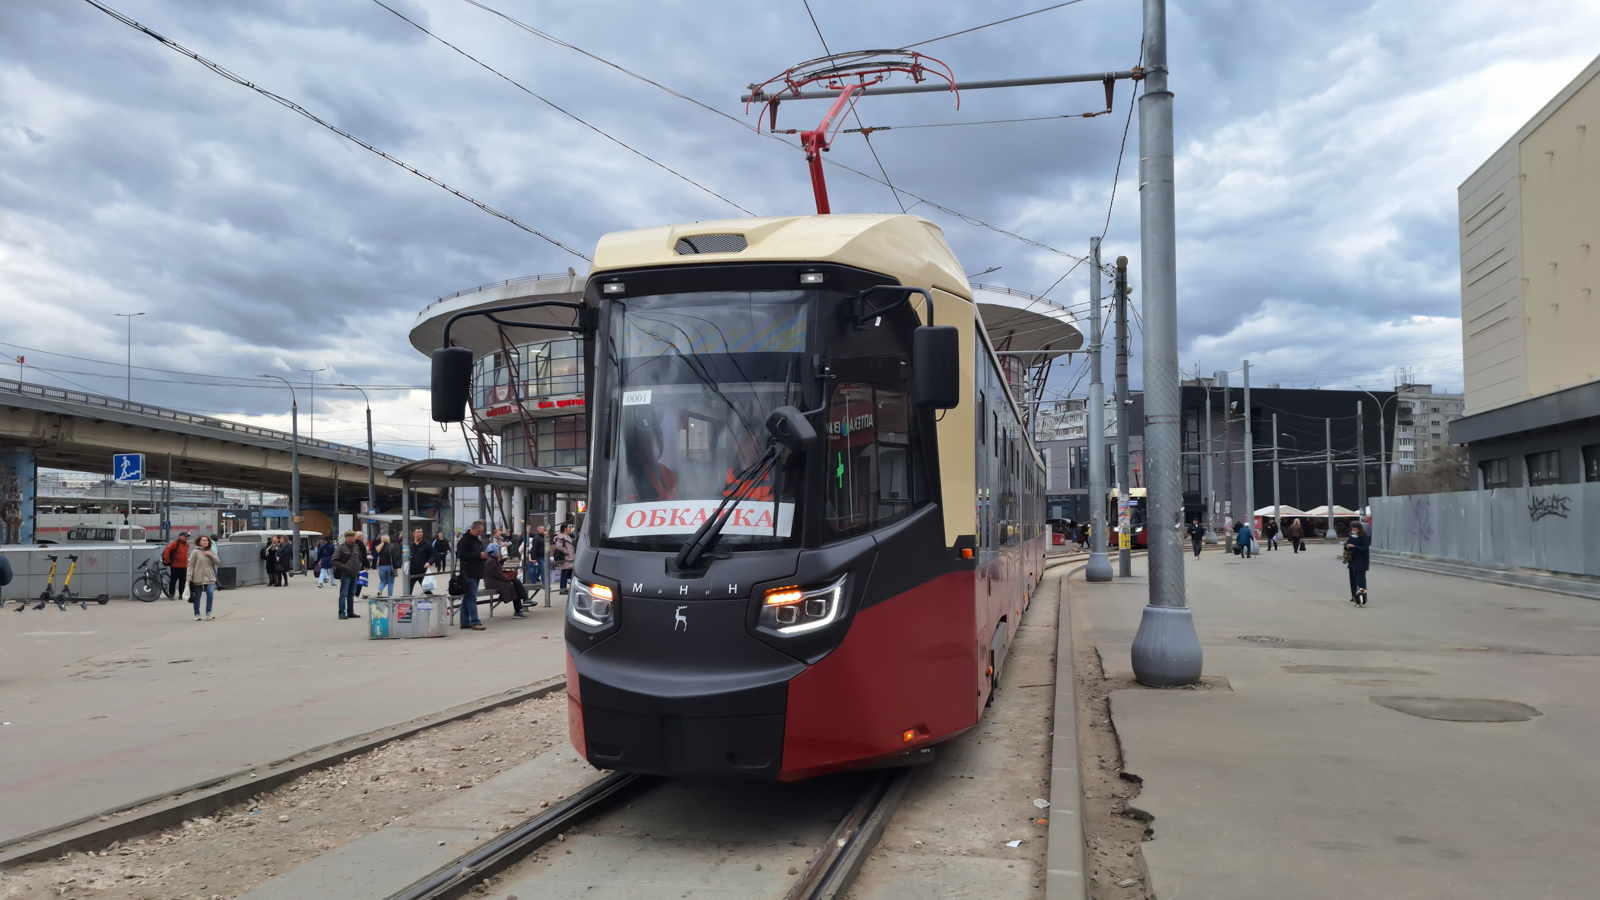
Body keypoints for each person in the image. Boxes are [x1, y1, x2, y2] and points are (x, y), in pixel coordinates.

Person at [456, 520, 489, 631]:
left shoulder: (477, 541)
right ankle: (475, 621)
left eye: (481, 531)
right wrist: (478, 555)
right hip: (468, 573)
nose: (480, 533)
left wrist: (484, 556)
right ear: (473, 529)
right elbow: (461, 555)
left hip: (476, 572)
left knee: (467, 598)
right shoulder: (464, 540)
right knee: (471, 598)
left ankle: (465, 621)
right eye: (479, 531)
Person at [483, 548, 529, 618]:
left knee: (515, 583)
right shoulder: (491, 561)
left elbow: (498, 573)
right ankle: (522, 604)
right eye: (498, 551)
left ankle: (521, 606)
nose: (499, 552)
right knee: (514, 584)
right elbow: (497, 574)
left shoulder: (492, 560)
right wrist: (508, 580)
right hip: (492, 582)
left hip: (495, 581)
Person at [331, 530, 366, 620]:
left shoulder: (356, 547)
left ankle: (350, 611)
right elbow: (334, 560)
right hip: (345, 574)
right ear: (346, 538)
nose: (353, 538)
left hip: (354, 574)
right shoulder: (341, 547)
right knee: (344, 594)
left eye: (354, 536)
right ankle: (342, 612)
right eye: (351, 537)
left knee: (351, 594)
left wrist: (359, 567)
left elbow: (360, 559)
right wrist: (344, 567)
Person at [187, 535, 221, 620]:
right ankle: (197, 614)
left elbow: (218, 562)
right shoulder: (195, 552)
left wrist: (211, 555)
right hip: (197, 577)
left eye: (207, 540)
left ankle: (209, 612)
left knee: (210, 593)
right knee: (197, 597)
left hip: (209, 577)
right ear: (199, 542)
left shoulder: (211, 551)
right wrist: (189, 578)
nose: (206, 542)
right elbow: (190, 565)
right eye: (203, 540)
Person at [1345, 521, 1371, 606]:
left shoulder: (1365, 537)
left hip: (1361, 561)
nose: (1353, 530)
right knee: (1352, 580)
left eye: (1354, 528)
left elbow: (1364, 548)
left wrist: (1354, 546)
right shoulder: (1351, 537)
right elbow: (1348, 543)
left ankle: (1363, 597)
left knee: (1361, 581)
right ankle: (1354, 596)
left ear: (1359, 528)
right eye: (1352, 528)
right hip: (1352, 561)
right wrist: (1346, 545)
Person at [162, 532, 190, 601]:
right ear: (180, 536)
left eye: (187, 537)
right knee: (173, 581)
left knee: (182, 581)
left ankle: (181, 594)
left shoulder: (187, 545)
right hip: (175, 566)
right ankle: (171, 594)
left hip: (184, 566)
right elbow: (167, 549)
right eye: (185, 536)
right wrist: (166, 559)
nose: (186, 538)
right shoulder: (176, 543)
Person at [407, 527, 434, 595]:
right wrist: (407, 557)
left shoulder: (427, 544)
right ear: (413, 533)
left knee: (427, 591)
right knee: (407, 592)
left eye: (421, 532)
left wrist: (429, 562)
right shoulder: (409, 544)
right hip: (411, 572)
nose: (420, 533)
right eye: (418, 532)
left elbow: (434, 555)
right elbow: (401, 556)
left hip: (422, 572)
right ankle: (407, 605)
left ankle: (433, 603)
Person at [552, 523, 576, 594]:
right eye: (569, 527)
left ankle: (565, 588)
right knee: (565, 573)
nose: (570, 529)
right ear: (565, 528)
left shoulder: (567, 536)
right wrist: (567, 552)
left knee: (569, 573)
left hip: (569, 558)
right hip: (566, 558)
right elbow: (559, 547)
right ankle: (563, 589)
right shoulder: (561, 537)